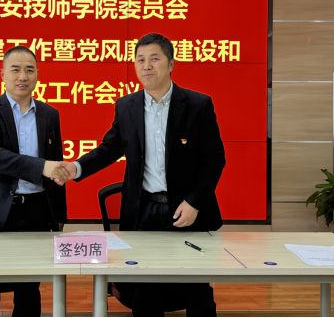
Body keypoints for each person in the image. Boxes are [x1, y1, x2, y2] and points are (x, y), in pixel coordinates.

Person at [55, 33, 226, 317]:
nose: (146, 65)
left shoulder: (198, 105)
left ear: (171, 64)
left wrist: (194, 201)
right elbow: (110, 148)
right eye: (140, 60)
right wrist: (78, 167)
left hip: (185, 210)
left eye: (154, 59)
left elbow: (214, 160)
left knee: (195, 288)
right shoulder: (127, 106)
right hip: (143, 212)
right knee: (145, 291)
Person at [0, 46, 69, 317]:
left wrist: (59, 215)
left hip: (36, 210)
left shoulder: (50, 114)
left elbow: (55, 166)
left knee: (29, 290)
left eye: (29, 70)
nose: (23, 76)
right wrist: (41, 167)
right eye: (16, 69)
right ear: (2, 74)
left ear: (37, 75)